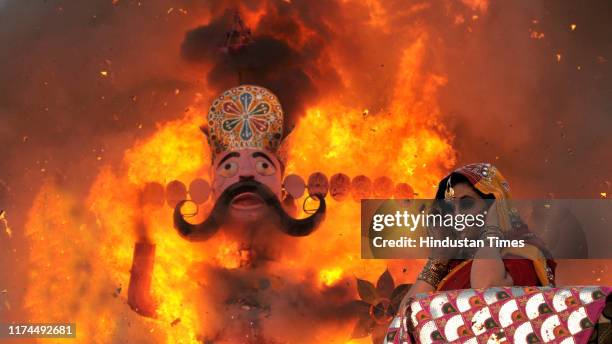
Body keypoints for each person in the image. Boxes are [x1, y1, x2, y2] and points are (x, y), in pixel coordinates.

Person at [403, 163, 555, 300]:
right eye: (449, 209)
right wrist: (440, 257)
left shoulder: (523, 253)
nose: (456, 216)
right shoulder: (452, 262)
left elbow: (485, 293)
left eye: (467, 204)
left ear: (494, 206)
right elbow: (406, 314)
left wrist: (492, 230)